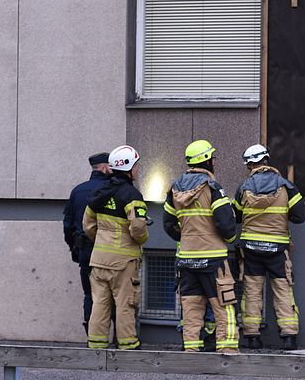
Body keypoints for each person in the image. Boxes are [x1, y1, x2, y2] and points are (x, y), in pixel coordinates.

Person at [162, 140, 239, 354]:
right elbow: (226, 223)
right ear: (206, 160)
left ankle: (191, 352)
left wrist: (187, 237)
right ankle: (228, 351)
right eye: (212, 157)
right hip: (213, 260)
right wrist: (231, 240)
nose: (214, 161)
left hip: (186, 258)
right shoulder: (213, 188)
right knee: (224, 307)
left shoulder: (174, 189)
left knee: (191, 308)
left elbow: (168, 224)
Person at [234, 144, 305, 350]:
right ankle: (289, 337)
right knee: (283, 291)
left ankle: (252, 337)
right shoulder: (286, 186)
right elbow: (301, 216)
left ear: (250, 164)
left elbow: (236, 216)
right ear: (266, 159)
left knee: (252, 292)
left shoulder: (244, 187)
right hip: (277, 249)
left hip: (251, 250)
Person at [83, 145, 150, 350]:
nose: (138, 170)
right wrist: (141, 240)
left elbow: (87, 225)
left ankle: (96, 344)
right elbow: (138, 228)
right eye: (136, 166)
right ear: (129, 168)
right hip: (123, 262)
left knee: (100, 303)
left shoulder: (99, 192)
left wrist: (103, 242)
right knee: (125, 304)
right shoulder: (132, 195)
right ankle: (128, 344)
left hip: (99, 260)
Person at [62, 152, 112, 335]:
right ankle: (116, 337)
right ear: (104, 168)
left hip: (85, 249)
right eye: (111, 166)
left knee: (90, 294)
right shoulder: (112, 188)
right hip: (109, 249)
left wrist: (73, 248)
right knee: (113, 293)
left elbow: (67, 224)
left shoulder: (78, 191)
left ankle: (93, 336)